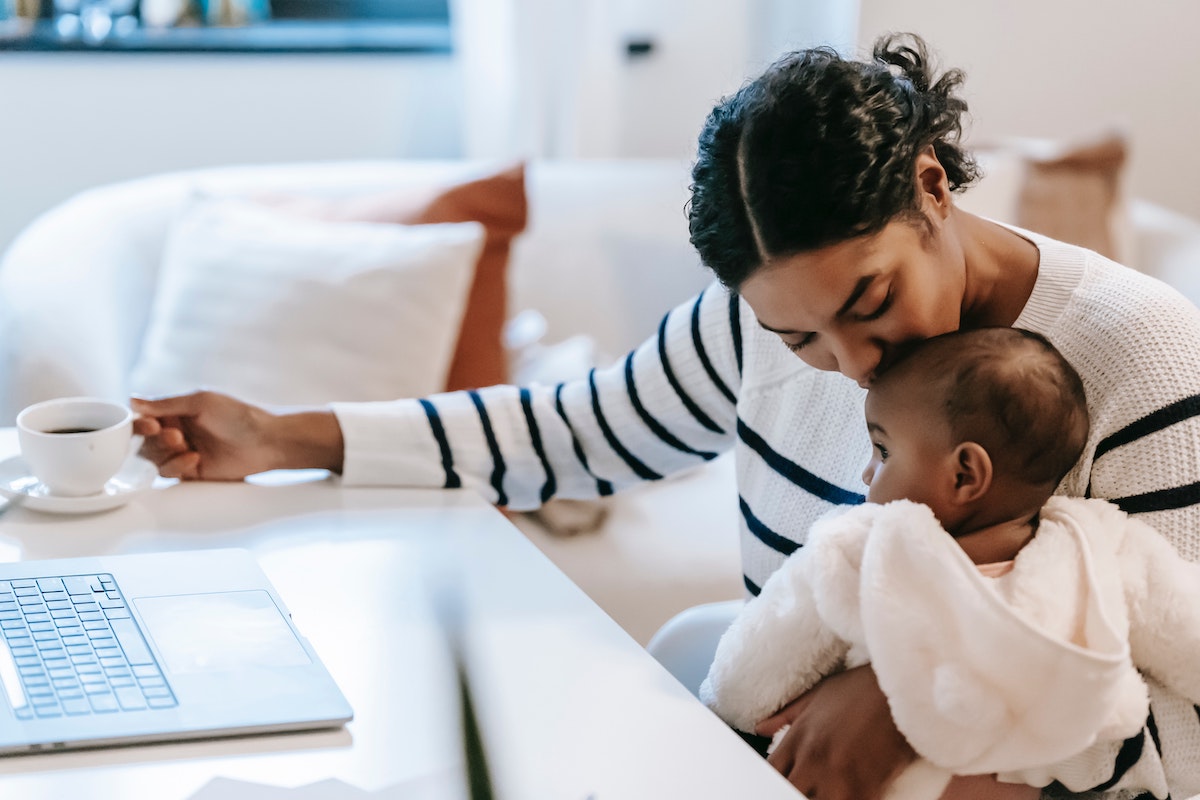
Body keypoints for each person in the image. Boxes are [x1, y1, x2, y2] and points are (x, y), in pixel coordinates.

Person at [132, 33, 1200, 800]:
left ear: (932, 186)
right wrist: (281, 437)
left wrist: (910, 702)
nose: (852, 366)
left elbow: (1185, 734)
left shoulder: (1139, 354)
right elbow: (573, 433)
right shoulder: (747, 329)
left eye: (869, 303)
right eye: (801, 340)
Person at [701, 326, 1200, 800]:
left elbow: (750, 676)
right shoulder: (1107, 546)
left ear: (965, 473)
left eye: (882, 450)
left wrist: (720, 708)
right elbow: (1187, 638)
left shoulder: (867, 548)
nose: (866, 471)